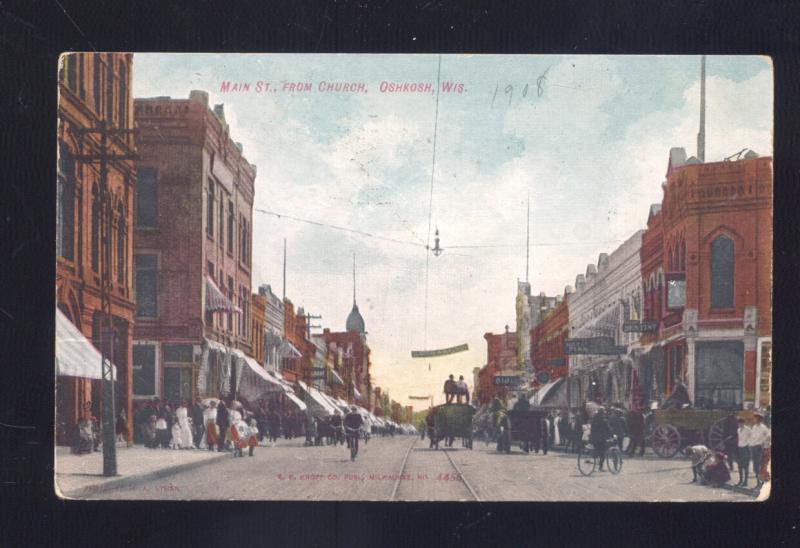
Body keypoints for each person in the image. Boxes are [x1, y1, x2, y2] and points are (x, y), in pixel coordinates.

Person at [749, 412, 770, 490]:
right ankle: (758, 483)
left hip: (759, 448)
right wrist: (750, 445)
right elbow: (752, 437)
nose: (755, 419)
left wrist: (763, 446)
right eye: (755, 418)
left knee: (759, 466)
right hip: (753, 447)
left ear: (760, 419)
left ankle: (761, 484)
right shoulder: (754, 427)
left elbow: (768, 437)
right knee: (755, 467)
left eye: (757, 418)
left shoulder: (763, 428)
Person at [736, 417, 752, 486]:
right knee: (740, 466)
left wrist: (748, 443)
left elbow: (751, 437)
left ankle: (745, 482)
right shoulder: (738, 430)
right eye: (739, 423)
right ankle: (740, 480)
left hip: (745, 448)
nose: (739, 425)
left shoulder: (748, 429)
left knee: (745, 466)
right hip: (740, 448)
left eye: (741, 423)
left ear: (743, 423)